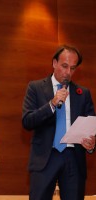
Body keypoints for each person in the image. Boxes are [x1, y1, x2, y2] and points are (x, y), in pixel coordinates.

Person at [22, 44, 95, 200]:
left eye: (73, 68)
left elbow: (91, 125)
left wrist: (91, 144)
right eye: (64, 66)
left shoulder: (83, 93)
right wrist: (52, 104)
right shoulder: (35, 88)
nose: (68, 73)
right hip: (45, 158)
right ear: (54, 63)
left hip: (73, 159)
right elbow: (27, 121)